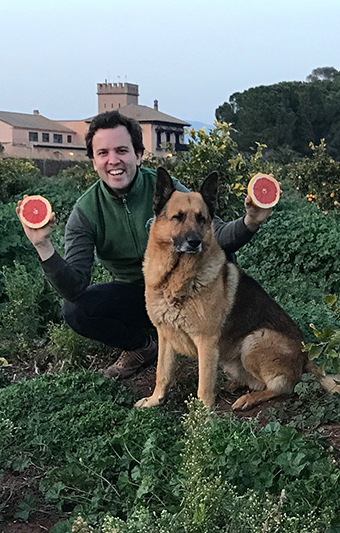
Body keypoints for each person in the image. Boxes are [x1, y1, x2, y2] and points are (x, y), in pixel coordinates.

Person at [17, 110, 273, 379]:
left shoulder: (167, 190)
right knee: (76, 310)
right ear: (93, 161)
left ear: (138, 155)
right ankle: (141, 347)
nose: (113, 160)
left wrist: (249, 222)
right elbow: (75, 287)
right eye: (103, 153)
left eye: (122, 150)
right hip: (138, 297)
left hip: (187, 292)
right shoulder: (86, 210)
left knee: (223, 257)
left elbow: (218, 234)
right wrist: (43, 246)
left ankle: (217, 341)